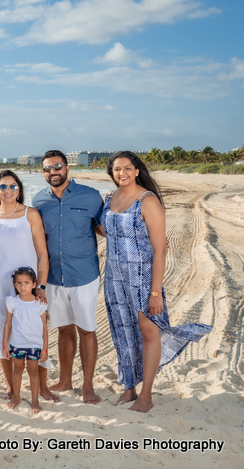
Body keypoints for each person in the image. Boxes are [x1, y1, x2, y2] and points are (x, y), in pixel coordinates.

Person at [102, 151, 211, 413]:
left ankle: (146, 395)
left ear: (137, 170)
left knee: (148, 331)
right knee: (122, 331)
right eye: (117, 170)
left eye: (127, 168)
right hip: (114, 276)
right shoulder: (110, 198)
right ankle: (129, 388)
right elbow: (108, 230)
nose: (122, 173)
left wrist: (155, 292)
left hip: (142, 276)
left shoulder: (147, 200)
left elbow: (160, 248)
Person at [32, 150, 105, 404]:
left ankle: (87, 386)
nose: (52, 172)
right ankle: (65, 380)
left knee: (86, 328)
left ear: (67, 168)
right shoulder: (38, 200)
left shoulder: (91, 196)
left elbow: (106, 228)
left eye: (57, 167)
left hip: (84, 275)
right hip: (53, 277)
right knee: (63, 329)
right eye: (47, 169)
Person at [0, 170, 58, 403]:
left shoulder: (30, 214)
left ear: (19, 189)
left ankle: (43, 387)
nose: (8, 191)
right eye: (3, 187)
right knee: (2, 330)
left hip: (28, 283)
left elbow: (42, 254)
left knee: (35, 327)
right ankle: (11, 387)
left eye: (12, 186)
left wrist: (41, 286)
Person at [2, 267, 49, 414]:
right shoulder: (12, 302)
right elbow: (8, 323)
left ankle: (35, 401)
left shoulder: (40, 303)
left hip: (34, 345)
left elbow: (44, 327)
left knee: (33, 372)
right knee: (17, 371)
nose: (23, 286)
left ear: (34, 284)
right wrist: (5, 345)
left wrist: (45, 348)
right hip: (17, 344)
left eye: (27, 282)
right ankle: (16, 398)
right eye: (19, 283)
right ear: (15, 285)